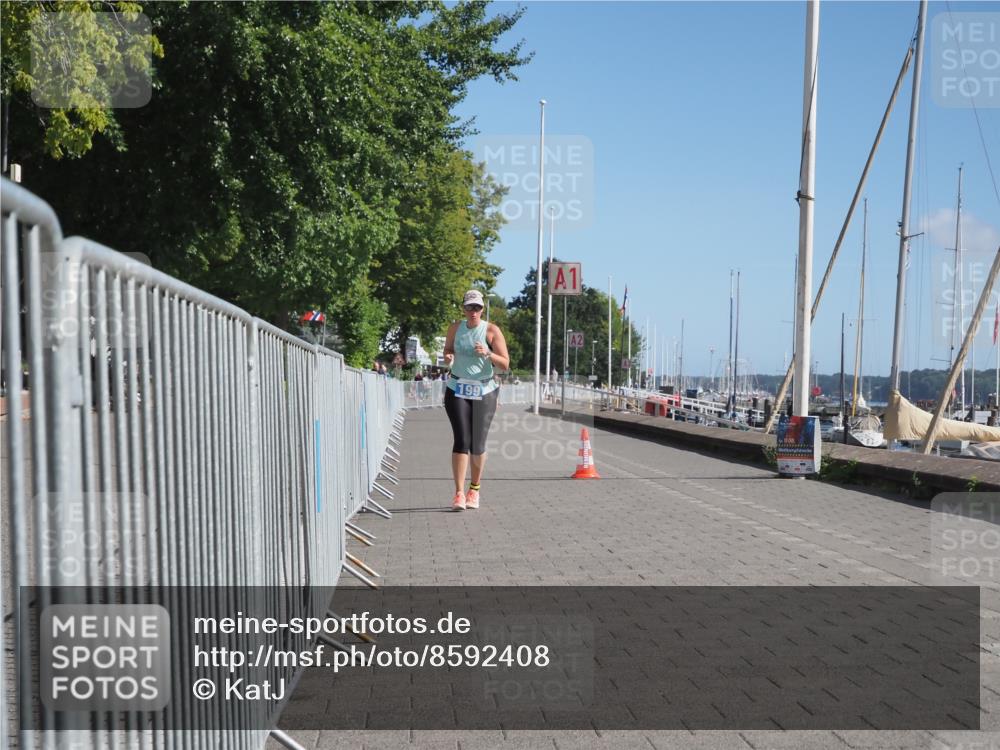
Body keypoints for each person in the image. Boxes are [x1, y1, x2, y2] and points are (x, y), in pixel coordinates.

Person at [442, 289, 510, 511]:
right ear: (464, 308)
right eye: (470, 307)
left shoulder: (491, 331)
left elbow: (505, 364)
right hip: (457, 387)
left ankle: (475, 489)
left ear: (482, 309)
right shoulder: (455, 328)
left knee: (477, 444)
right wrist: (449, 356)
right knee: (461, 440)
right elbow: (448, 349)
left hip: (484, 390)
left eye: (477, 308)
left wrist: (488, 353)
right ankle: (459, 493)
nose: (473, 311)